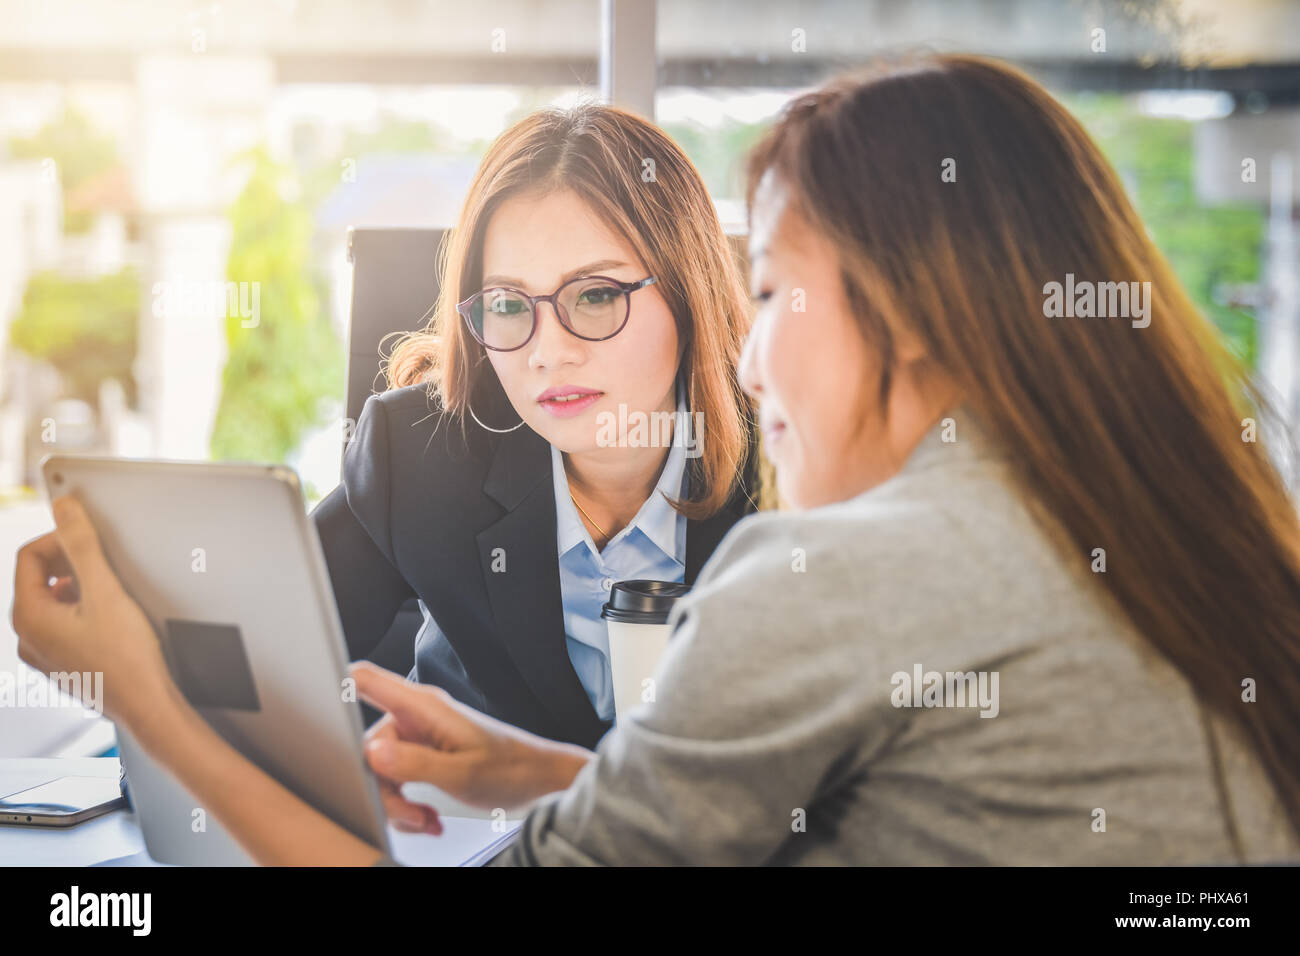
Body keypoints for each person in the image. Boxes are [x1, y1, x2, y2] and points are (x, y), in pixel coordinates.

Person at [13, 54, 1300, 865]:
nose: (750, 360)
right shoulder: (1158, 518)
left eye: (775, 295)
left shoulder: (829, 568)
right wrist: (559, 777)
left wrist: (140, 689)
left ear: (908, 314)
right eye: (506, 305)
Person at [311, 102, 760, 750]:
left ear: (689, 293)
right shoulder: (419, 454)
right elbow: (258, 664)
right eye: (508, 304)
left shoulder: (794, 467)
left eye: (596, 295)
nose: (548, 352)